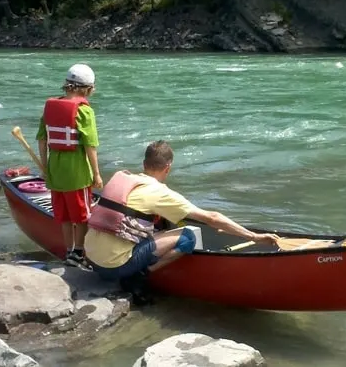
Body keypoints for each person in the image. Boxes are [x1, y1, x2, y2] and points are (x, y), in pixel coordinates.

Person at [83, 140, 279, 284]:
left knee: (158, 226)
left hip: (91, 259)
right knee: (187, 236)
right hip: (114, 268)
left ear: (144, 164)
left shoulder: (124, 179)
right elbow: (212, 217)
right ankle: (144, 274)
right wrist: (254, 236)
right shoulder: (160, 193)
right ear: (168, 168)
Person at [36, 63, 103, 268]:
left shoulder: (51, 106)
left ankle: (68, 251)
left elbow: (42, 139)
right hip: (77, 172)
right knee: (82, 215)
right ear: (88, 89)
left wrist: (45, 168)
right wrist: (97, 174)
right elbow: (90, 145)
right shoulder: (83, 111)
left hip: (55, 168)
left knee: (64, 215)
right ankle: (79, 253)